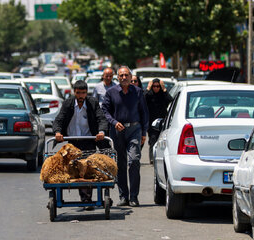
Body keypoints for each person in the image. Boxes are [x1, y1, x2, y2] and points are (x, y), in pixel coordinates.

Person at [52, 80, 108, 210]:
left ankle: (86, 200)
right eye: (78, 93)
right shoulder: (68, 103)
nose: (81, 96)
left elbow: (101, 118)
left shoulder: (92, 103)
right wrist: (58, 132)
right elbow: (59, 119)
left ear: (86, 92)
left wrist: (101, 132)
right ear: (74, 92)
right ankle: (84, 198)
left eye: (83, 93)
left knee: (87, 169)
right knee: (75, 169)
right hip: (73, 142)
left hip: (89, 139)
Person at [102, 66, 149, 207]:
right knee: (120, 164)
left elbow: (144, 112)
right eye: (121, 75)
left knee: (134, 161)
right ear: (117, 77)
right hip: (117, 131)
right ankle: (124, 196)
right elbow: (105, 110)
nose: (124, 78)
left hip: (134, 129)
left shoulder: (138, 92)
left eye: (126, 75)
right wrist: (114, 122)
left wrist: (143, 132)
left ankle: (134, 197)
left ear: (130, 76)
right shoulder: (111, 92)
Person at [145, 78, 173, 164]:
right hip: (151, 122)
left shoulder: (163, 94)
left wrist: (164, 89)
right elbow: (142, 98)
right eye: (154, 86)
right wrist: (148, 88)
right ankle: (152, 158)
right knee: (153, 140)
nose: (156, 88)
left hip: (162, 121)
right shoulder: (149, 95)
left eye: (158, 86)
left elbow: (170, 100)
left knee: (162, 140)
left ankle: (162, 157)